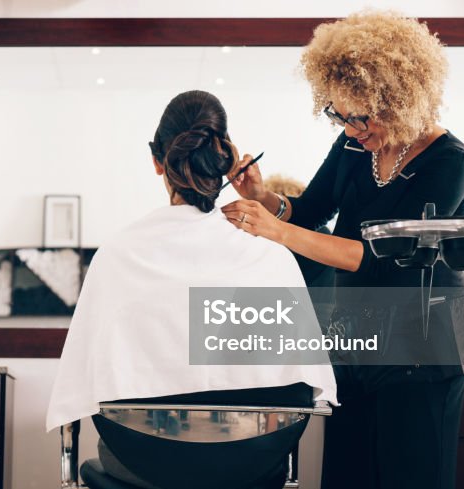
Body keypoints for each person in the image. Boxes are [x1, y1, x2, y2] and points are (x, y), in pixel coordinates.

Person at [221, 10, 464, 489]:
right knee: (348, 474)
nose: (348, 128)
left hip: (427, 344)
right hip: (361, 339)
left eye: (359, 116)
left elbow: (377, 254)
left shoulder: (449, 162)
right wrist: (261, 198)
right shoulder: (355, 148)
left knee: (412, 476)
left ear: (399, 98)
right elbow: (311, 209)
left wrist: (276, 233)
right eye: (338, 114)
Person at [46, 90, 337, 489]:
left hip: (143, 456)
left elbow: (83, 377)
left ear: (156, 162)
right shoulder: (270, 252)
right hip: (253, 458)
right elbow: (304, 384)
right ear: (226, 160)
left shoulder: (118, 253)